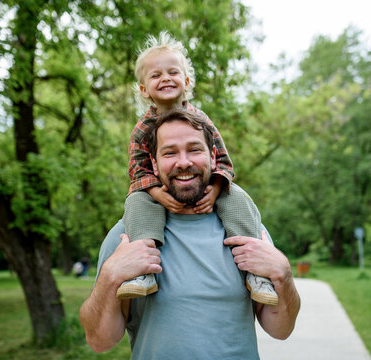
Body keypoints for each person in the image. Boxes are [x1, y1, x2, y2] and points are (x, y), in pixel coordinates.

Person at [79, 109, 300, 359]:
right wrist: (109, 276)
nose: (183, 162)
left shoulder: (246, 231)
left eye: (194, 150)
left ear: (213, 156)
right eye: (170, 152)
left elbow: (281, 329)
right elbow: (99, 341)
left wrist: (283, 273)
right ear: (153, 163)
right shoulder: (128, 236)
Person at [119, 31, 277, 306]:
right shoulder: (142, 130)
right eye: (155, 75)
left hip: (201, 185)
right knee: (136, 203)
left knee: (237, 197)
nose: (165, 78)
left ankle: (256, 272)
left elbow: (224, 162)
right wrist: (157, 194)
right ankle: (143, 272)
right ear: (144, 89)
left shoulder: (201, 121)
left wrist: (216, 190)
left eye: (172, 72)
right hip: (161, 189)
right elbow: (138, 170)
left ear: (187, 81)